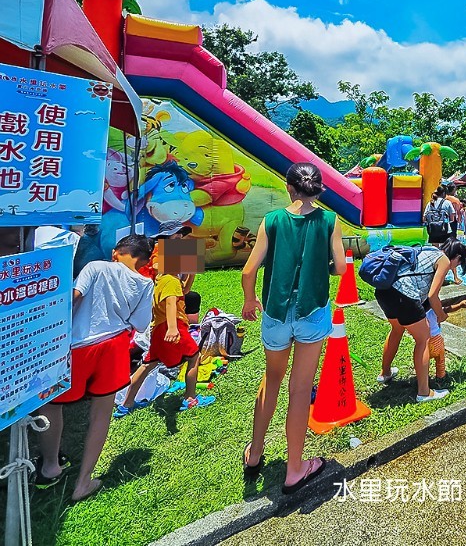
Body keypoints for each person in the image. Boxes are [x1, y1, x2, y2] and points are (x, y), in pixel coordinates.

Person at [241, 163, 346, 494]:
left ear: (289, 187)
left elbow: (248, 271)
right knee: (300, 389)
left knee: (271, 379)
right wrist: (321, 266)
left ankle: (254, 454)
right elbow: (340, 267)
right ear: (318, 188)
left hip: (275, 312)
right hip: (312, 311)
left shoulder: (271, 220)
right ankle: (295, 469)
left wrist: (249, 300)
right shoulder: (329, 221)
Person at [35, 234, 154, 501]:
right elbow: (140, 324)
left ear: (116, 252)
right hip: (115, 347)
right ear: (145, 261)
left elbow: (73, 297)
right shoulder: (146, 283)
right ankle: (83, 482)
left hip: (77, 346)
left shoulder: (95, 266)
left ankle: (51, 466)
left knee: (52, 404)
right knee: (102, 413)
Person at [115, 234, 215, 417]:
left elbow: (184, 290)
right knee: (194, 357)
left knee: (147, 365)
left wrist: (191, 272)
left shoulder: (163, 279)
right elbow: (170, 303)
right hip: (173, 326)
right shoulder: (171, 281)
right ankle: (190, 398)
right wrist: (173, 328)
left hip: (158, 330)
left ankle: (126, 404)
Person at [376, 239, 466, 400]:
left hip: (385, 291)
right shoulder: (444, 260)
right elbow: (432, 296)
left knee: (397, 330)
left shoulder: (429, 250)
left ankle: (385, 373)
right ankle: (424, 392)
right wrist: (441, 315)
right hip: (404, 294)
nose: (456, 266)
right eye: (459, 263)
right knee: (423, 339)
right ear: (457, 257)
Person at [424, 185, 461, 284]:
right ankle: (455, 277)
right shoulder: (447, 203)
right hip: (445, 231)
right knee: (449, 253)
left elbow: (424, 218)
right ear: (444, 193)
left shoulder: (430, 203)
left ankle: (435, 277)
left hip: (433, 231)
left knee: (434, 254)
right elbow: (452, 218)